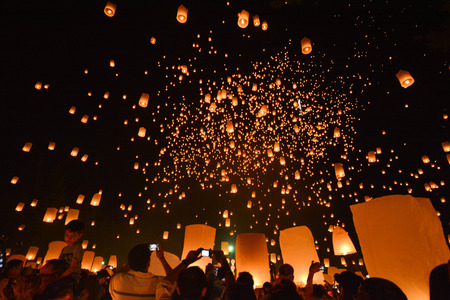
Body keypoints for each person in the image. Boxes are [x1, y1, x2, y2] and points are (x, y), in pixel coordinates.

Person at [109, 243, 173, 300]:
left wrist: (134, 258)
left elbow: (113, 277)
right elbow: (174, 279)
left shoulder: (117, 281)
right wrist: (162, 258)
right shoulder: (160, 284)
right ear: (148, 263)